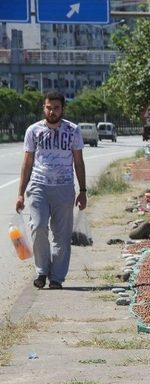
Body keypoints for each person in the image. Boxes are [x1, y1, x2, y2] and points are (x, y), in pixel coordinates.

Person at [15, 91, 87, 290]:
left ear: (62, 109)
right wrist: (21, 193)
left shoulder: (73, 130)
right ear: (43, 108)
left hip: (64, 188)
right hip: (38, 187)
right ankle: (42, 271)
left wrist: (82, 190)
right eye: (49, 107)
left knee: (61, 236)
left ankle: (57, 277)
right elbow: (27, 163)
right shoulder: (33, 131)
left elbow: (79, 163)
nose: (52, 111)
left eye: (56, 108)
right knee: (37, 227)